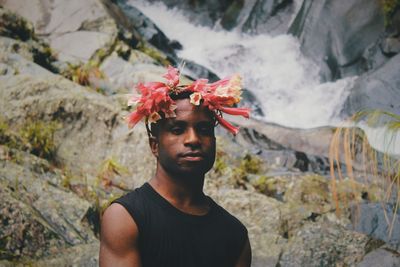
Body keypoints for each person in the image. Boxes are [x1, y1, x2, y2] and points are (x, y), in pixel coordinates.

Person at [99, 66, 252, 267]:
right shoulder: (125, 218)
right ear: (155, 145)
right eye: (178, 129)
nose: (193, 139)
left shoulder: (235, 235)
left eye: (204, 129)